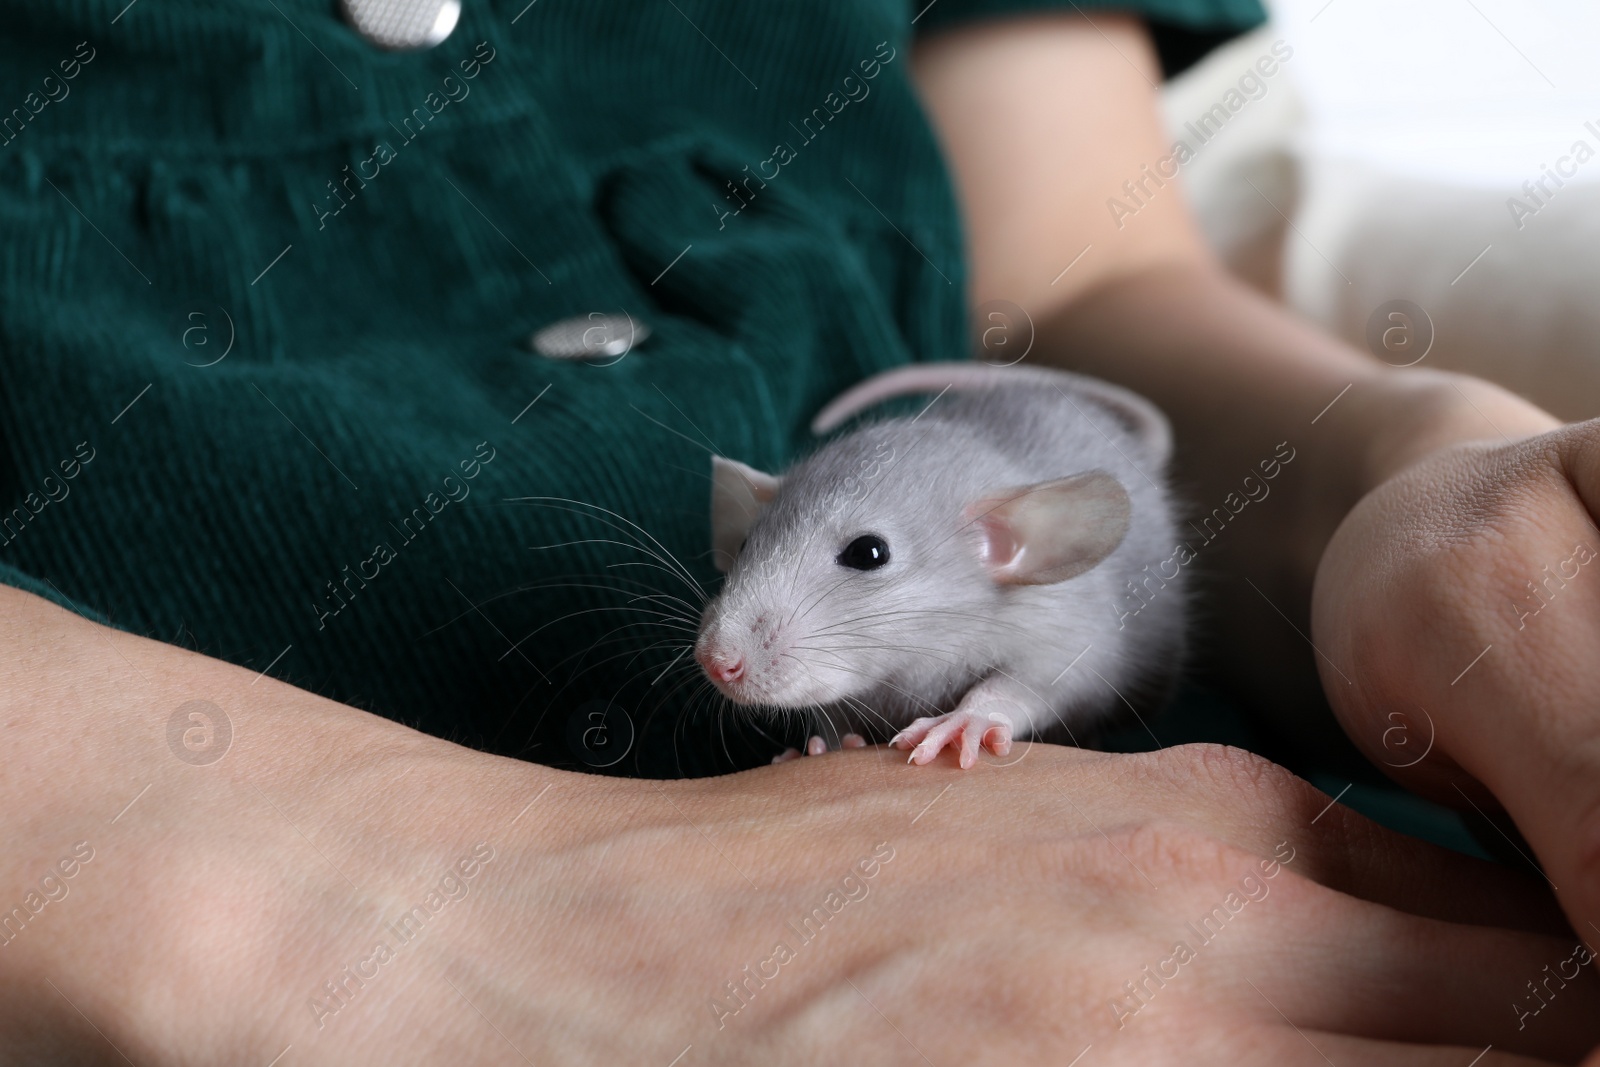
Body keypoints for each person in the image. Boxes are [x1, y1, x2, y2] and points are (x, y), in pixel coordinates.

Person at [0, 1, 1596, 1063]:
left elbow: (1083, 287)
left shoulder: (1004, 548)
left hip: (1233, 838)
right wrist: (432, 913)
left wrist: (1425, 469)